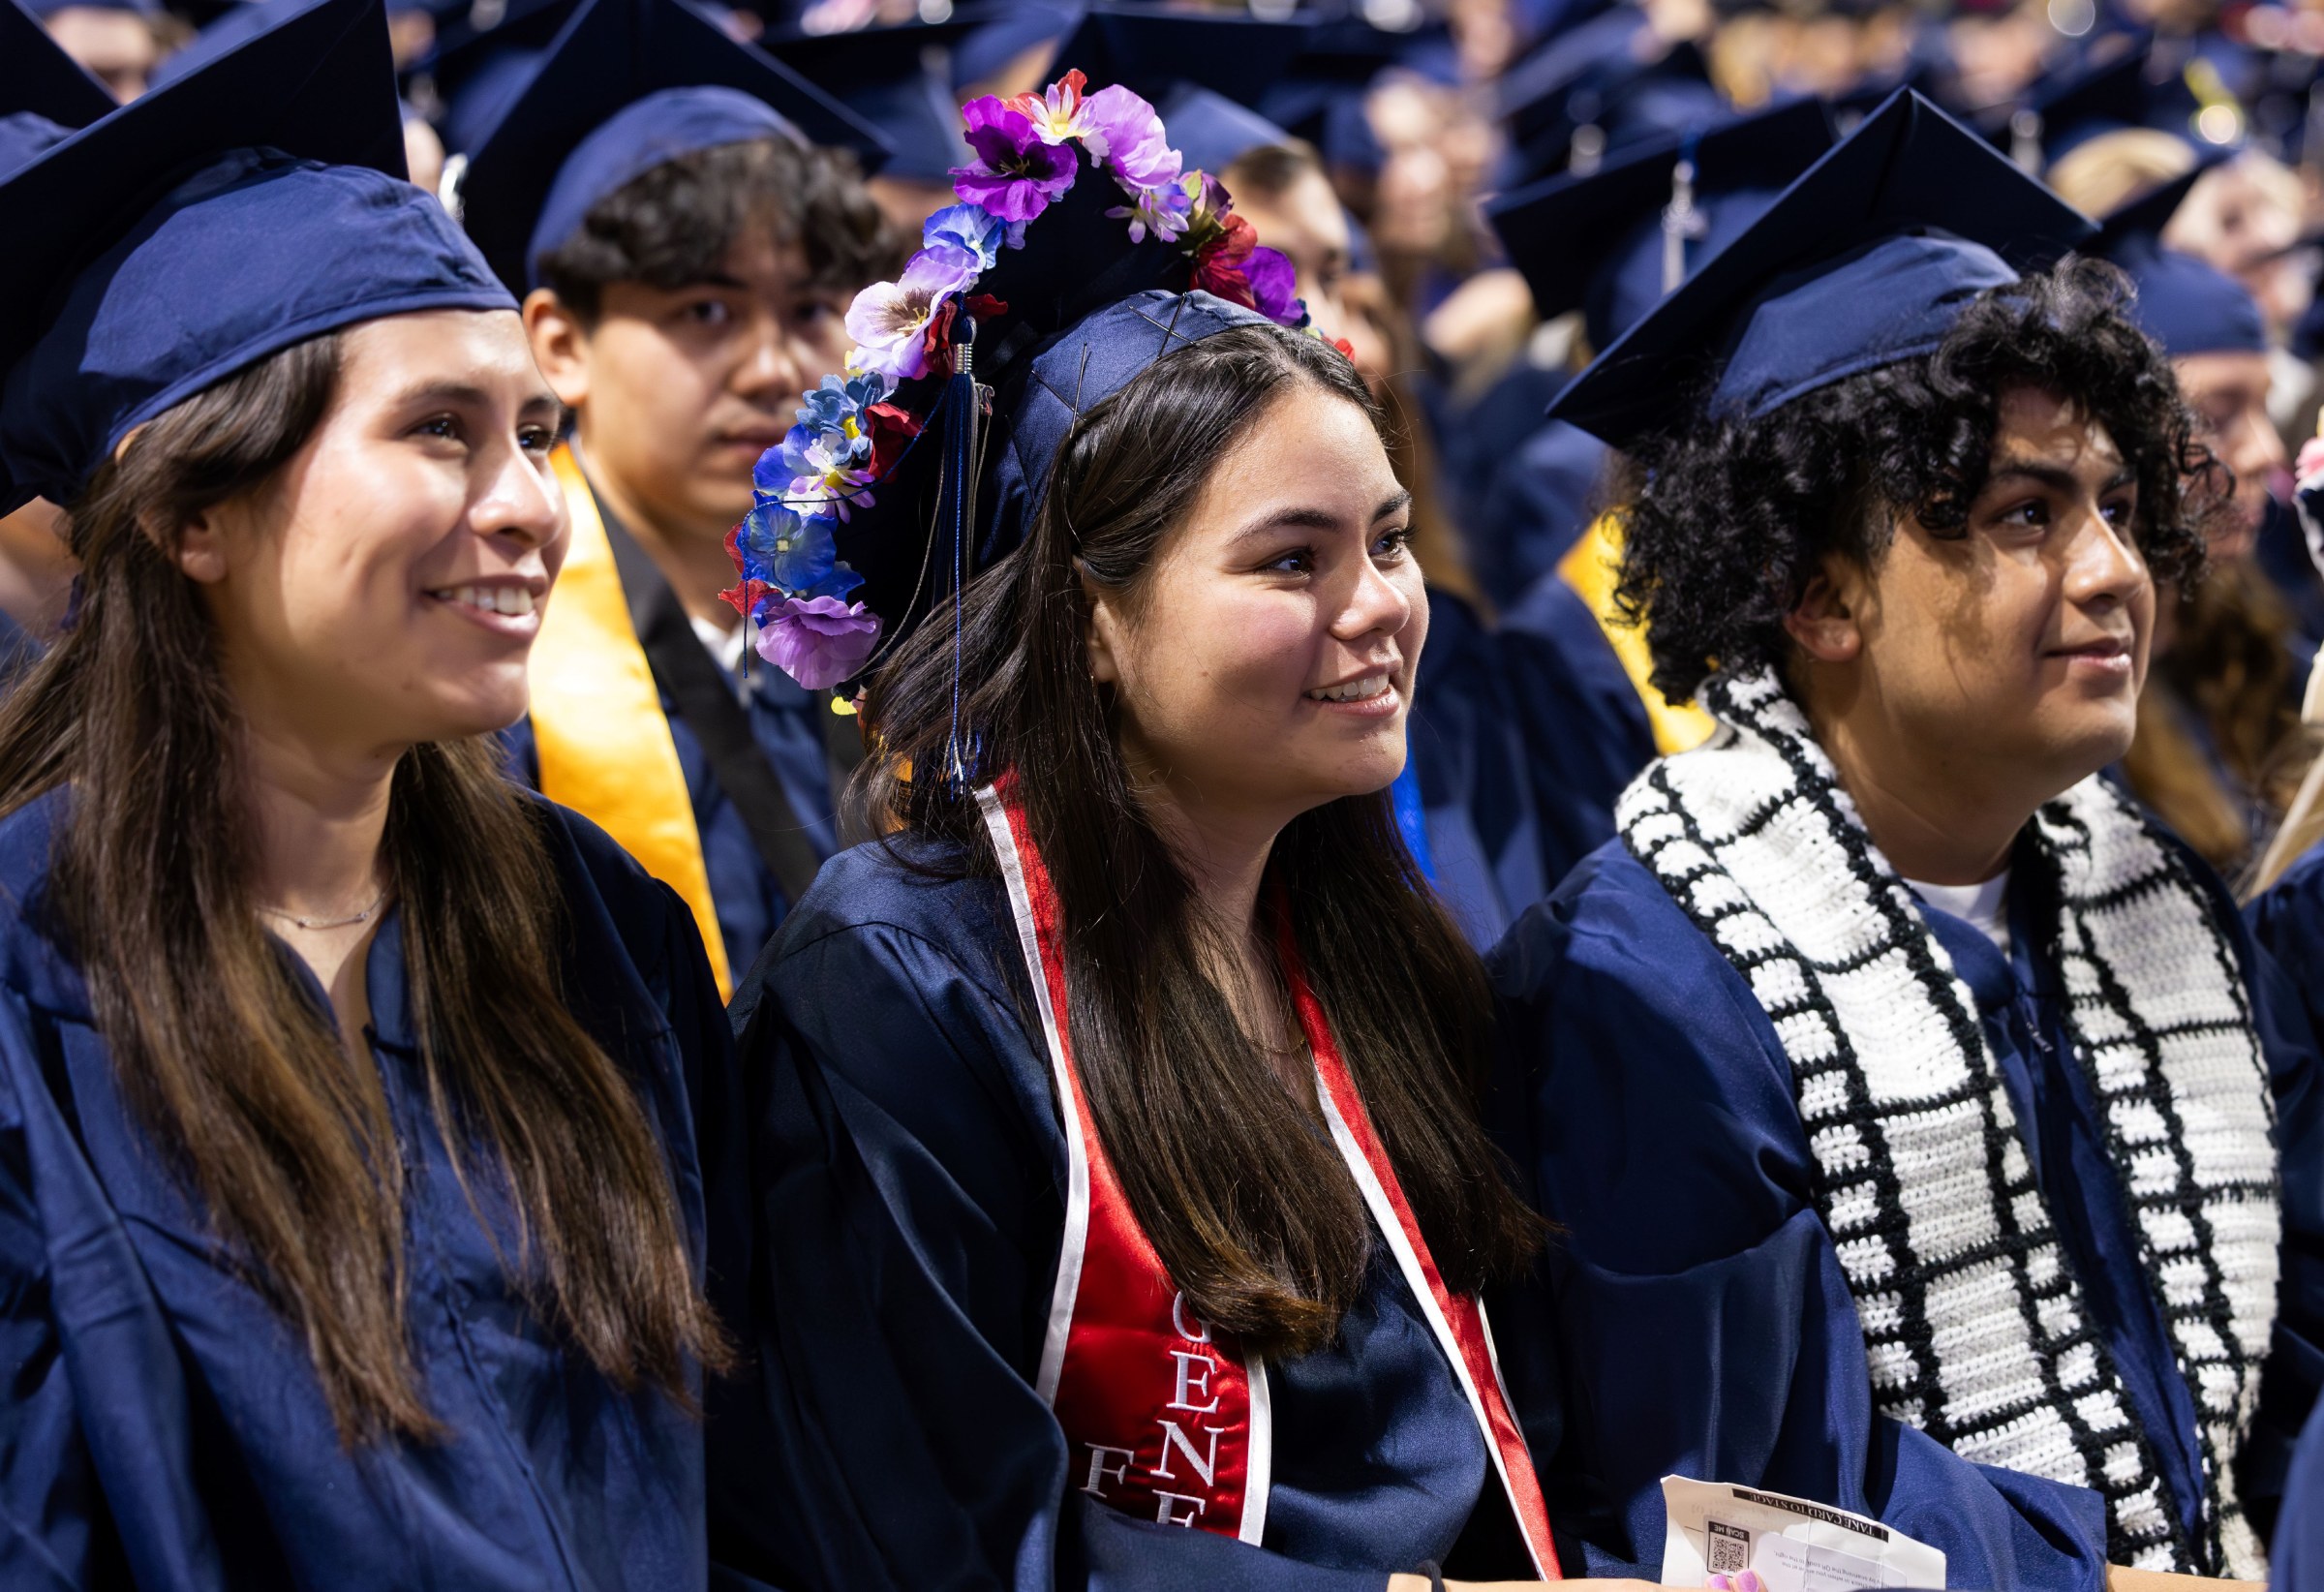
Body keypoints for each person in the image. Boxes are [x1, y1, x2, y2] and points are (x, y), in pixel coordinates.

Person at [708, 69, 1655, 1592]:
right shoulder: (900, 987)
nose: (1378, 612)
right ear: (1089, 622)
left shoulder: (1367, 943)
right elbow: (915, 1537)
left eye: (1391, 542)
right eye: (1292, 562)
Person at [1490, 89, 2319, 1586]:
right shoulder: (1652, 990)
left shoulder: (2157, 905)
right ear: (1815, 595)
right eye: (2021, 515)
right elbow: (1723, 1508)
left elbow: (2282, 1361)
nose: (2115, 571)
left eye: (2120, 506)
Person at [0, 0, 743, 1581]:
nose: (534, 506)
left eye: (536, 432)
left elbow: (757, 1485)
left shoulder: (604, 933)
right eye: (440, 432)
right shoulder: (23, 986)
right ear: (193, 508)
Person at [456, 0, 898, 993]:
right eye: (706, 309)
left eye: (813, 309)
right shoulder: (482, 672)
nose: (774, 368)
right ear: (560, 344)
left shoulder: (907, 639)